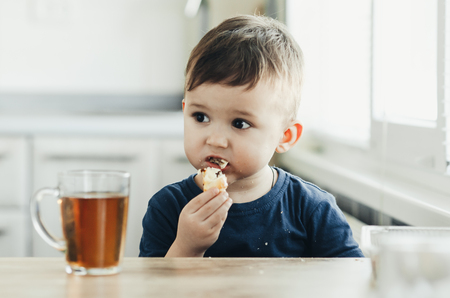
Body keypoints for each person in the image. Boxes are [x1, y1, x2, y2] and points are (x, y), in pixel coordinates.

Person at [139, 15, 363, 258]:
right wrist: (186, 247)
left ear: (285, 136)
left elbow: (352, 280)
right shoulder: (167, 208)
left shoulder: (313, 210)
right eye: (201, 117)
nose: (215, 140)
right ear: (185, 112)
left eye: (239, 123)